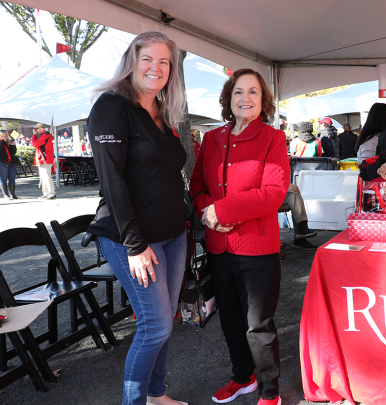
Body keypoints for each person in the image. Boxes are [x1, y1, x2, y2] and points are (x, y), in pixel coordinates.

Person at [87, 31, 188, 405]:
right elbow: (111, 181)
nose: (156, 68)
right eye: (148, 58)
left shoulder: (163, 112)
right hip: (131, 239)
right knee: (154, 324)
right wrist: (135, 244)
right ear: (132, 60)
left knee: (165, 322)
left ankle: (156, 395)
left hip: (174, 235)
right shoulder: (112, 107)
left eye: (164, 62)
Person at [189, 68, 289, 405]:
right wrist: (208, 213)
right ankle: (241, 377)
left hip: (257, 249)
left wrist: (223, 211)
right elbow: (198, 187)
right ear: (228, 98)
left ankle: (270, 392)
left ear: (264, 101)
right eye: (238, 92)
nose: (244, 98)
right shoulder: (211, 139)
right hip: (219, 247)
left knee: (257, 325)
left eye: (253, 92)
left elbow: (274, 193)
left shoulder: (273, 139)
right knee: (230, 319)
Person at [279, 183, 318, 250]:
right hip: (261, 200)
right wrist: (283, 188)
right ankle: (301, 231)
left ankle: (301, 234)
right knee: (291, 191)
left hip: (273, 196)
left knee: (293, 192)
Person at [31, 123, 56, 199]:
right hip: (44, 159)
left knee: (46, 177)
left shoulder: (44, 136)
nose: (35, 131)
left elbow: (35, 144)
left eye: (36, 129)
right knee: (43, 177)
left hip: (45, 159)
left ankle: (51, 193)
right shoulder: (44, 136)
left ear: (41, 129)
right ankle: (46, 193)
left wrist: (34, 135)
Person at [0, 130, 18, 199]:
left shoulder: (8, 142)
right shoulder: (1, 143)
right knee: (3, 179)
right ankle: (6, 194)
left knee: (12, 178)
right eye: (2, 136)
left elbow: (13, 152)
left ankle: (13, 194)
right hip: (2, 163)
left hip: (11, 163)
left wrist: (13, 145)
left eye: (5, 136)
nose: (4, 138)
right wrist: (2, 143)